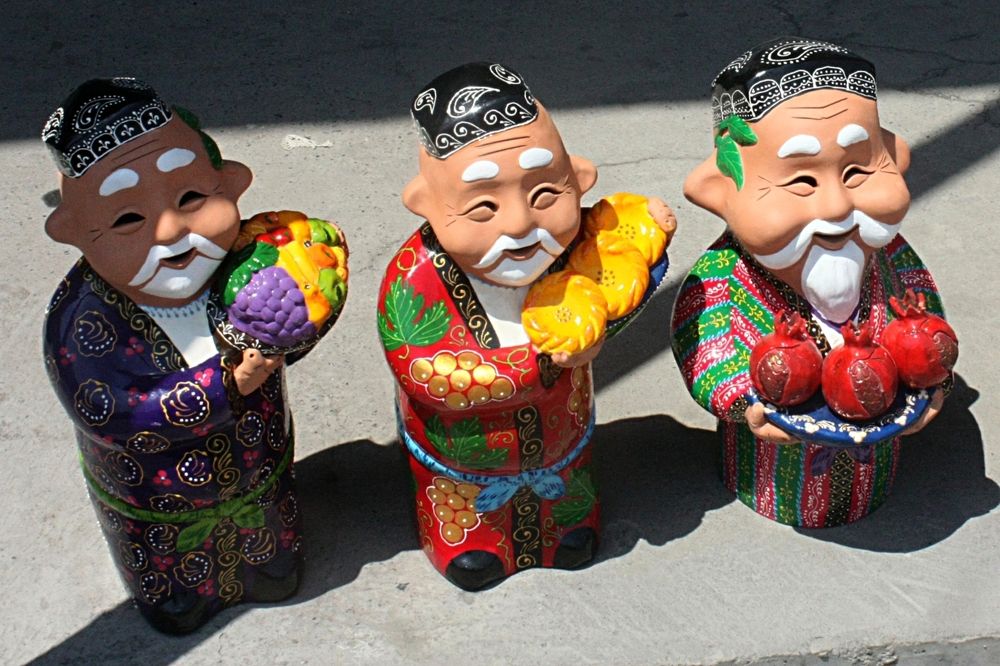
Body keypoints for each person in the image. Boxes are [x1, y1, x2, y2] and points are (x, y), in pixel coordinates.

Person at [41, 78, 330, 632]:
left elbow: (295, 324)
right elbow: (106, 408)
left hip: (258, 474)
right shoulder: (80, 318)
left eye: (192, 198)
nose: (172, 230)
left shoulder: (249, 265)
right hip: (156, 504)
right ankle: (176, 599)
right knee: (174, 586)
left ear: (232, 185)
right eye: (128, 220)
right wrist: (225, 385)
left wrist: (305, 316)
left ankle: (271, 568)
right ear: (73, 231)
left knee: (271, 550)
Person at [379, 62, 675, 589]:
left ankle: (568, 529)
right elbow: (421, 370)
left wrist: (648, 248)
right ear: (427, 206)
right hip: (463, 467)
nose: (519, 224)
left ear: (578, 180)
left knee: (569, 513)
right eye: (482, 207)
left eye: (544, 196)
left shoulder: (582, 251)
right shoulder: (414, 275)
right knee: (470, 532)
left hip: (563, 446)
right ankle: (468, 542)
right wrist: (538, 364)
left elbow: (613, 299)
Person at [672, 38, 948, 527]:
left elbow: (925, 312)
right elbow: (705, 347)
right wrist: (744, 401)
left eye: (858, 170)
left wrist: (933, 377)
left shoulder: (892, 257)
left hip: (881, 456)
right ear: (718, 191)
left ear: (893, 155)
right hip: (768, 470)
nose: (837, 207)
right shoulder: (720, 277)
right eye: (801, 182)